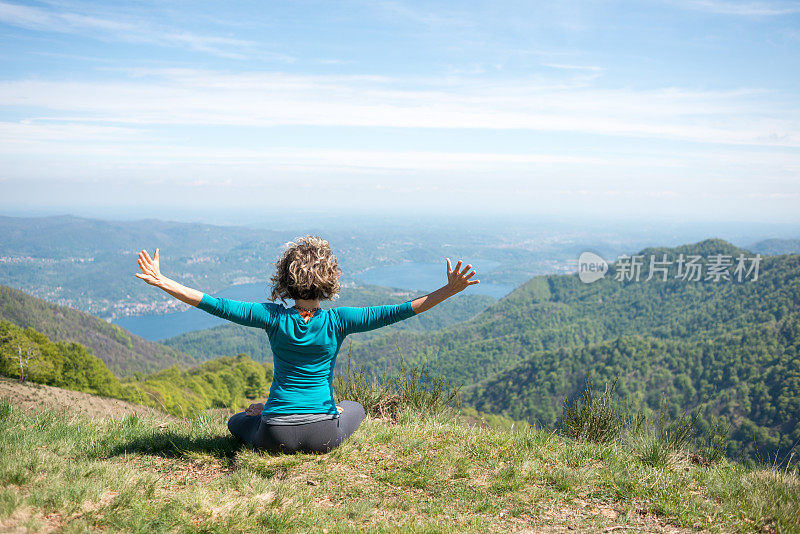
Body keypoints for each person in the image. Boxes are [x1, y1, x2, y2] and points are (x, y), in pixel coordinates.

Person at [135, 235, 479, 454]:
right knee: (353, 407)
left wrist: (162, 281)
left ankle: (260, 412)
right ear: (329, 282)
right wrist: (448, 290)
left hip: (273, 434)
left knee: (236, 421)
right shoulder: (339, 320)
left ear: (284, 281)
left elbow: (214, 304)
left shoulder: (271, 317)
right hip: (324, 433)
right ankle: (331, 410)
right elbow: (399, 311)